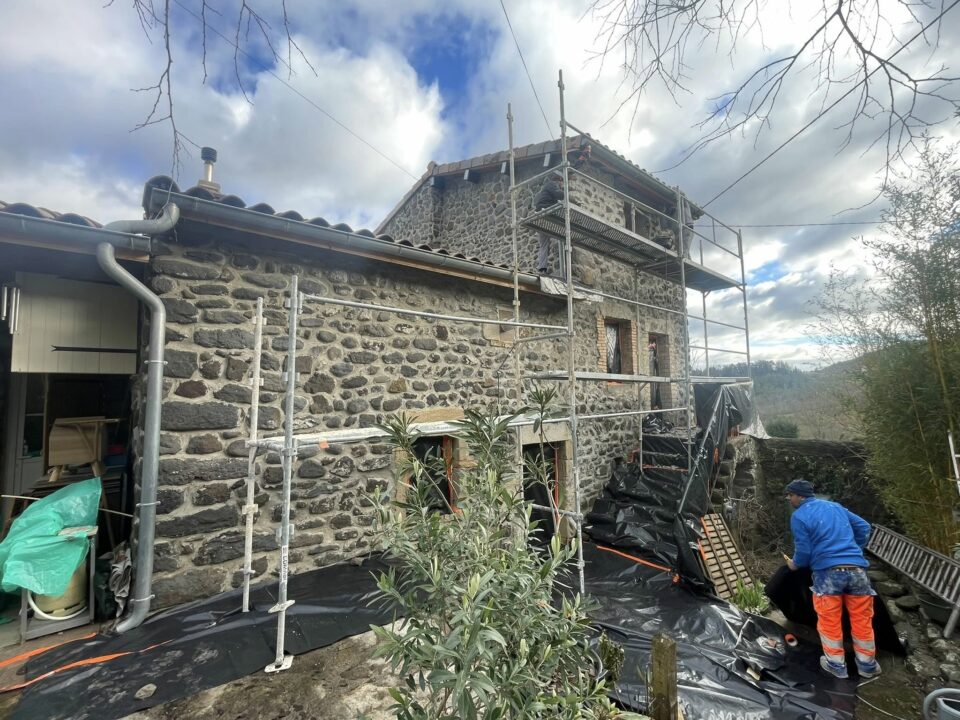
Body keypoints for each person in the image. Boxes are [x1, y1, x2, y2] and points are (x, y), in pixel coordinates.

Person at [784, 478, 880, 679]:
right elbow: (863, 527)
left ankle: (836, 665)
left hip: (828, 573)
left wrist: (794, 564)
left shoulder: (799, 516)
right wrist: (854, 550)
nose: (788, 498)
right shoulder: (835, 507)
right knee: (862, 619)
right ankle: (867, 666)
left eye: (790, 495)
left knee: (830, 619)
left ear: (800, 496)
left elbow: (804, 551)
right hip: (857, 571)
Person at [533, 170, 565, 275]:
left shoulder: (549, 186)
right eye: (562, 182)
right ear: (559, 180)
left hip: (542, 215)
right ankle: (564, 267)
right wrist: (567, 192)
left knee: (544, 243)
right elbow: (559, 195)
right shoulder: (552, 184)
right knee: (560, 237)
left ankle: (542, 268)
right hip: (545, 212)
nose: (562, 185)